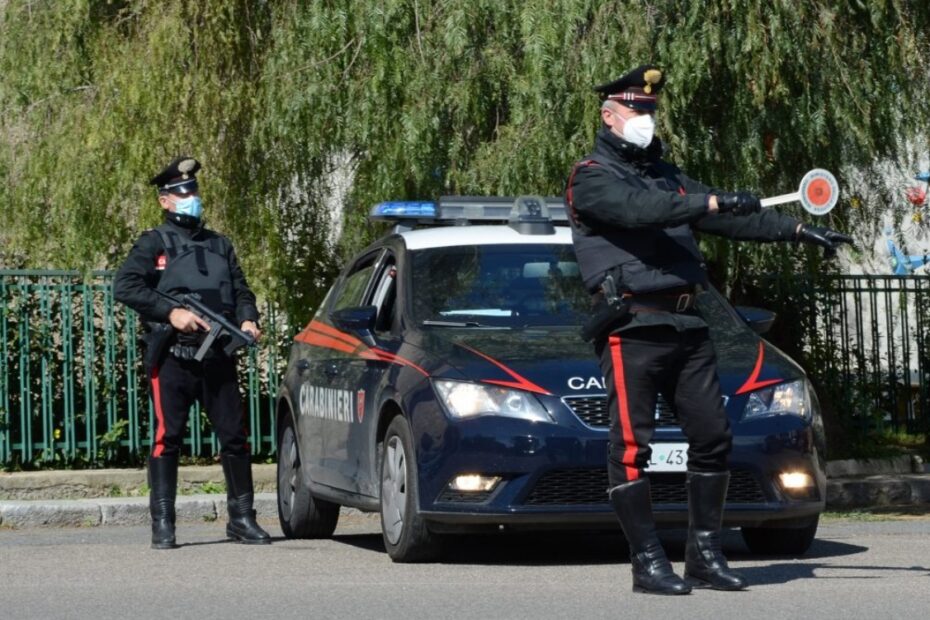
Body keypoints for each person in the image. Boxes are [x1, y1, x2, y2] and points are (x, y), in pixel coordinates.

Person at [565, 65, 851, 594]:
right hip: (634, 327)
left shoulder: (666, 175)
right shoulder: (591, 177)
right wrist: (710, 201)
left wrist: (797, 228)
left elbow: (733, 216)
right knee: (631, 445)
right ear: (609, 116)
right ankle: (648, 562)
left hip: (687, 322)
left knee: (713, 437)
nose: (646, 118)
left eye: (651, 110)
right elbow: (638, 211)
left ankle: (704, 555)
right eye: (637, 110)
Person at [114, 156, 270, 549]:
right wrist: (172, 312)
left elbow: (241, 291)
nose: (190, 198)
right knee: (168, 438)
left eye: (193, 191)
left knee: (235, 437)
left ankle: (242, 518)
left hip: (217, 354)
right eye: (182, 193)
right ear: (164, 200)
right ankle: (163, 524)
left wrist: (248, 319)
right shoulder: (153, 242)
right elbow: (126, 287)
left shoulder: (220, 243)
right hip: (172, 355)